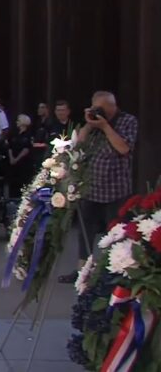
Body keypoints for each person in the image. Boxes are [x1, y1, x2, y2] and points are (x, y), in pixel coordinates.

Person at [60, 91, 137, 284]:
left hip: (116, 190)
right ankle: (82, 271)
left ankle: (114, 272)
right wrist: (89, 123)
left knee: (116, 234)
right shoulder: (93, 123)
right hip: (91, 189)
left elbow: (123, 148)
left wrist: (105, 126)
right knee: (85, 232)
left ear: (112, 106)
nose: (98, 112)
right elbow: (78, 146)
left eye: (100, 108)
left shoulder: (128, 121)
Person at [7, 114, 35, 198]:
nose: (16, 122)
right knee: (13, 184)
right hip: (13, 164)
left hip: (24, 163)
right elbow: (10, 146)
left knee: (23, 184)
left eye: (18, 121)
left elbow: (27, 148)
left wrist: (17, 159)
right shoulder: (15, 133)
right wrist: (12, 158)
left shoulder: (28, 135)